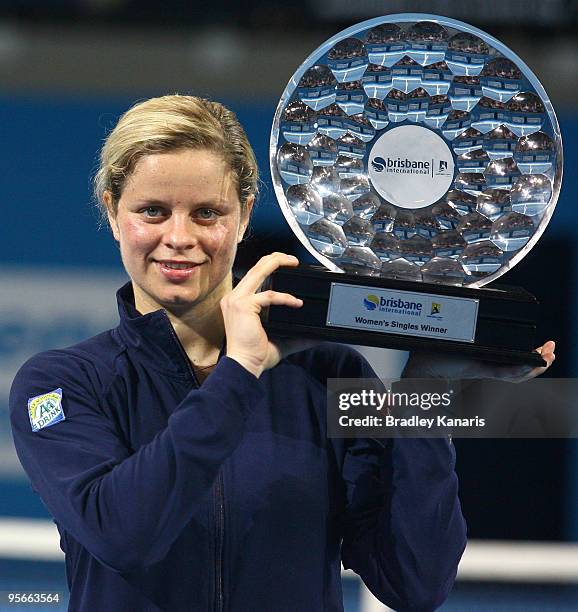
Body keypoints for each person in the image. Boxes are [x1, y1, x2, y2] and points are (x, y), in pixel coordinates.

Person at [10, 95, 554, 612]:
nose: (179, 237)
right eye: (152, 211)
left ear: (244, 215)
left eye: (207, 213)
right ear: (112, 212)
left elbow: (416, 581)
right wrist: (239, 371)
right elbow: (125, 534)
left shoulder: (328, 374)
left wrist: (425, 394)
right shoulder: (61, 385)